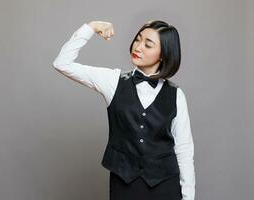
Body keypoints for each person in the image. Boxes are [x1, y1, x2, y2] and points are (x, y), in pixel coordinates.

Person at [52, 20, 195, 200]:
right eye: (138, 39)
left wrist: (188, 196)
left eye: (148, 44)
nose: (138, 46)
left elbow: (184, 149)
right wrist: (91, 27)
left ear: (163, 55)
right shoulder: (112, 81)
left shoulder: (176, 95)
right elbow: (62, 63)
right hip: (124, 184)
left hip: (166, 185)